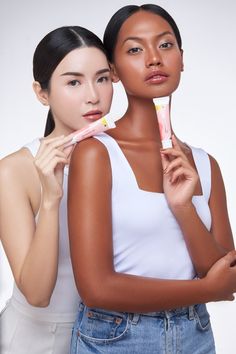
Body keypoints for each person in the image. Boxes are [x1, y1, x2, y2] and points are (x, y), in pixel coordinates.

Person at [68, 4, 236, 354]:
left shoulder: (206, 164)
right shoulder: (96, 154)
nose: (154, 59)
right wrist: (205, 290)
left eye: (165, 45)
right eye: (134, 49)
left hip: (196, 336)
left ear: (182, 58)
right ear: (113, 71)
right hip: (116, 337)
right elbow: (96, 288)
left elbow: (226, 274)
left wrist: (183, 207)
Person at [0, 25, 113, 354]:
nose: (93, 95)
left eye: (103, 78)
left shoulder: (123, 158)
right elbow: (37, 294)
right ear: (42, 92)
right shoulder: (14, 171)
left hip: (112, 336)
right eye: (74, 81)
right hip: (37, 341)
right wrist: (51, 200)